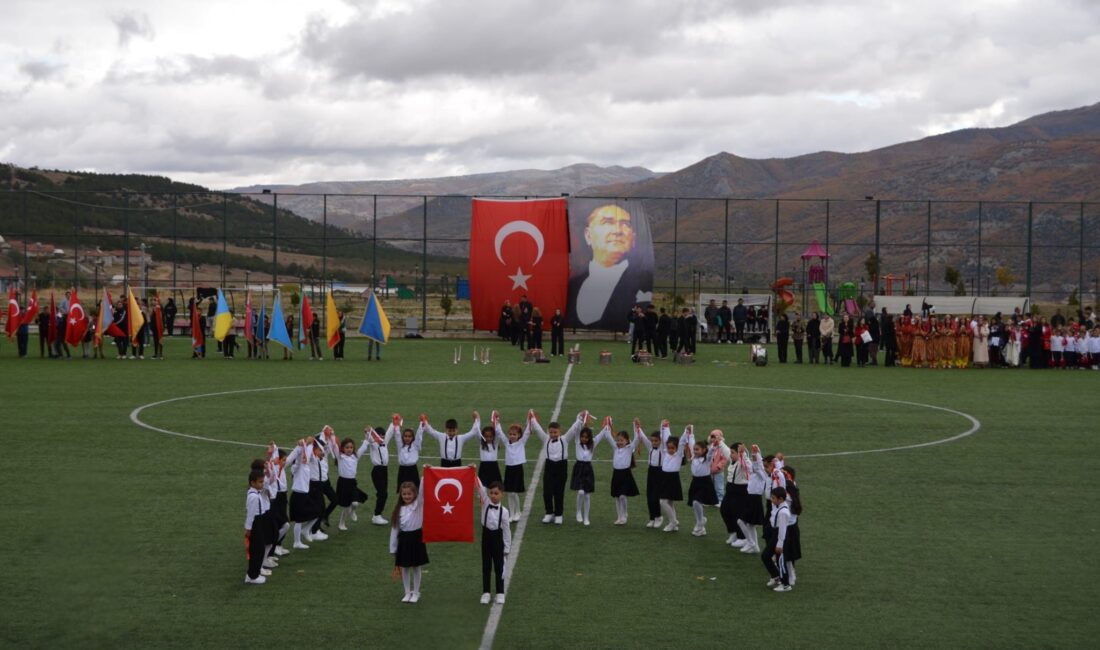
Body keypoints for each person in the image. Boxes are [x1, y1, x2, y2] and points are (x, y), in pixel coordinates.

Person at [567, 204, 652, 329]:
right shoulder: (572, 286)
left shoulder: (644, 282)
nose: (617, 230)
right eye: (607, 222)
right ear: (588, 235)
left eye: (625, 224)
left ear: (633, 238)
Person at [530, 410, 586, 525]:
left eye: (555, 432)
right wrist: (532, 418)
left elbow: (573, 429)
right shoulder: (546, 439)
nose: (553, 434)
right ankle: (549, 513)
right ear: (548, 432)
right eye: (551, 432)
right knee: (547, 492)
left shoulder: (564, 440)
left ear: (559, 432)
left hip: (561, 467)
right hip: (549, 467)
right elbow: (538, 429)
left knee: (559, 492)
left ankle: (559, 514)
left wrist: (580, 418)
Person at [389, 481, 428, 603]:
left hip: (417, 538)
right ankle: (407, 592)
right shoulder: (398, 510)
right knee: (404, 567)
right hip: (404, 540)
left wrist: (424, 476)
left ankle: (416, 592)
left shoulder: (419, 504)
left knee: (416, 567)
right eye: (404, 494)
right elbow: (395, 529)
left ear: (415, 494)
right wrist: (393, 547)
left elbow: (423, 492)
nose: (406, 496)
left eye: (409, 494)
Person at [597, 421, 641, 526]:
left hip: (625, 474)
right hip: (616, 474)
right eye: (618, 440)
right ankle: (619, 516)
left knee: (622, 496)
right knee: (617, 496)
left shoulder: (629, 448)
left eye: (622, 440)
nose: (619, 442)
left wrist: (636, 427)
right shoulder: (615, 448)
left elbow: (637, 439)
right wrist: (607, 425)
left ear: (627, 441)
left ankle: (625, 514)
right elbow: (608, 437)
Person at [475, 477, 511, 605]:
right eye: (491, 493)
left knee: (499, 567)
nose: (493, 496)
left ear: (502, 494)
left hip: (497, 539)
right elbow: (479, 487)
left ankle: (500, 592)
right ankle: (486, 592)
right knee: (486, 566)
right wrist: (474, 472)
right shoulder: (484, 502)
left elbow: (506, 531)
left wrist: (507, 548)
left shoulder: (505, 512)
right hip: (486, 537)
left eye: (496, 493)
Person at [286, 438, 321, 550]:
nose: (306, 458)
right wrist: (301, 446)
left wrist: (309, 444)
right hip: (298, 495)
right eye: (304, 457)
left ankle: (305, 530)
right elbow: (300, 456)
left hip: (304, 494)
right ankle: (296, 542)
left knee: (318, 511)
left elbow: (309, 454)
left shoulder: (306, 466)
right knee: (299, 520)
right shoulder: (296, 467)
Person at [657, 425, 693, 532]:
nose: (670, 450)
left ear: (677, 449)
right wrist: (663, 427)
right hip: (664, 478)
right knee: (669, 503)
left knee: (663, 502)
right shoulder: (665, 452)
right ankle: (674, 521)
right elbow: (664, 438)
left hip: (673, 479)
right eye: (669, 448)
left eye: (672, 448)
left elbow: (682, 442)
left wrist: (686, 432)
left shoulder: (678, 455)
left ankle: (672, 522)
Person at [498, 412, 532, 521]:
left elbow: (527, 431)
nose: (512, 436)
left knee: (514, 492)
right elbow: (499, 432)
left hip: (517, 469)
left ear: (519, 435)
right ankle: (511, 514)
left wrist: (530, 418)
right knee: (509, 493)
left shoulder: (521, 442)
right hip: (509, 469)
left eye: (515, 434)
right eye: (511, 434)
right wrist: (496, 420)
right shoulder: (506, 442)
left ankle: (518, 511)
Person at [761, 486, 794, 592]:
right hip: (776, 534)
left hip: (781, 537)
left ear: (780, 499)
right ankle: (776, 577)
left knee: (780, 561)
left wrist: (780, 544)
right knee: (765, 556)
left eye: (774, 498)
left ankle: (785, 585)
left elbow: (783, 530)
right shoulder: (777, 506)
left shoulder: (783, 512)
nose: (772, 499)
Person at [737, 444, 768, 554]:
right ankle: (756, 547)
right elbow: (748, 463)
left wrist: (755, 453)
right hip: (750, 498)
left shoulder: (762, 474)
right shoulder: (754, 471)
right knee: (750, 525)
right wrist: (743, 452)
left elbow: (755, 465)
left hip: (755, 500)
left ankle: (751, 543)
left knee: (741, 521)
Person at [639, 420, 670, 528]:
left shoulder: (662, 448)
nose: (654, 443)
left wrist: (663, 426)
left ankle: (658, 517)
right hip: (651, 472)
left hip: (660, 472)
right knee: (649, 496)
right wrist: (637, 427)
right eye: (652, 441)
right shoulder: (651, 447)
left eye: (656, 441)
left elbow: (664, 437)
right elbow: (642, 438)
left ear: (660, 441)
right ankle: (652, 518)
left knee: (656, 496)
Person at [335, 435, 370, 531]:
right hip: (343, 483)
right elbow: (334, 447)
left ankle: (352, 512)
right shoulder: (340, 457)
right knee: (346, 506)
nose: (349, 449)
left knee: (355, 503)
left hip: (352, 483)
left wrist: (367, 437)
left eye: (351, 447)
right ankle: (341, 523)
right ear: (343, 448)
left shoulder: (355, 457)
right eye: (347, 447)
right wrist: (331, 436)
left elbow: (363, 448)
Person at [569, 421, 600, 526]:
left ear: (589, 438)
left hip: (588, 469)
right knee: (581, 492)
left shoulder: (593, 444)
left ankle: (586, 517)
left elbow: (602, 435)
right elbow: (577, 430)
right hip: (579, 468)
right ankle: (578, 511)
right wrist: (580, 418)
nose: (584, 439)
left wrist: (607, 425)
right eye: (582, 437)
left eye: (586, 437)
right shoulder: (577, 442)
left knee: (587, 495)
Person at [244, 470, 270, 585]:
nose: (262, 484)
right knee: (257, 550)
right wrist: (249, 529)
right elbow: (250, 514)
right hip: (255, 523)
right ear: (252, 483)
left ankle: (253, 573)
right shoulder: (253, 497)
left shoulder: (257, 493)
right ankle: (252, 576)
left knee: (259, 549)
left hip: (259, 521)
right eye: (260, 482)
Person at [687, 439, 718, 536]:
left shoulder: (706, 459)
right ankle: (701, 528)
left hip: (705, 483)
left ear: (704, 450)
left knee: (696, 502)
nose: (695, 451)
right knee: (695, 504)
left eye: (697, 450)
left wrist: (713, 447)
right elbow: (691, 440)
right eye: (694, 449)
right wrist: (689, 432)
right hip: (695, 482)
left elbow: (710, 454)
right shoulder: (694, 457)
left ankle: (700, 521)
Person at [366, 423, 394, 526]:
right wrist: (368, 431)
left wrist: (393, 423)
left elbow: (390, 432)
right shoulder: (374, 444)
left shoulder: (384, 443)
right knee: (383, 493)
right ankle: (377, 515)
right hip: (377, 471)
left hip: (384, 470)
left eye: (383, 435)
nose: (382, 437)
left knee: (383, 493)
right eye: (380, 435)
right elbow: (369, 438)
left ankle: (378, 514)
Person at [395, 419, 424, 489]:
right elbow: (397, 435)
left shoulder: (415, 446)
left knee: (415, 490)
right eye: (405, 436)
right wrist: (396, 424)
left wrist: (421, 423)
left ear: (412, 438)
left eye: (409, 436)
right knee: (402, 491)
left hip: (413, 470)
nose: (407, 438)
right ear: (403, 437)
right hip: (402, 470)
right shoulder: (400, 446)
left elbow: (419, 436)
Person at [477, 414, 503, 486]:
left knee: (496, 488)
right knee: (482, 488)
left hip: (494, 467)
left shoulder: (495, 443)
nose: (488, 438)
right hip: (483, 467)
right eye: (486, 437)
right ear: (483, 436)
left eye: (490, 437)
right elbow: (477, 432)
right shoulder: (481, 443)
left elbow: (499, 433)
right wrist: (477, 419)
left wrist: (497, 420)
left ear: (493, 437)